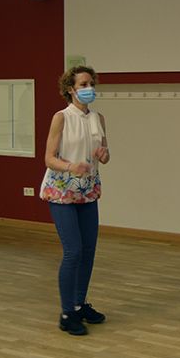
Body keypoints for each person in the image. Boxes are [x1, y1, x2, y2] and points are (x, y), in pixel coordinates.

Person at [39, 65, 110, 335]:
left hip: (87, 190)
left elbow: (105, 155)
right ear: (70, 89)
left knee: (89, 250)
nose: (89, 88)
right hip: (62, 191)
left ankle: (80, 305)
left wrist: (104, 155)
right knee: (74, 251)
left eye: (91, 83)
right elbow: (49, 158)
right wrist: (71, 167)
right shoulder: (61, 118)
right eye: (83, 84)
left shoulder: (99, 118)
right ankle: (67, 313)